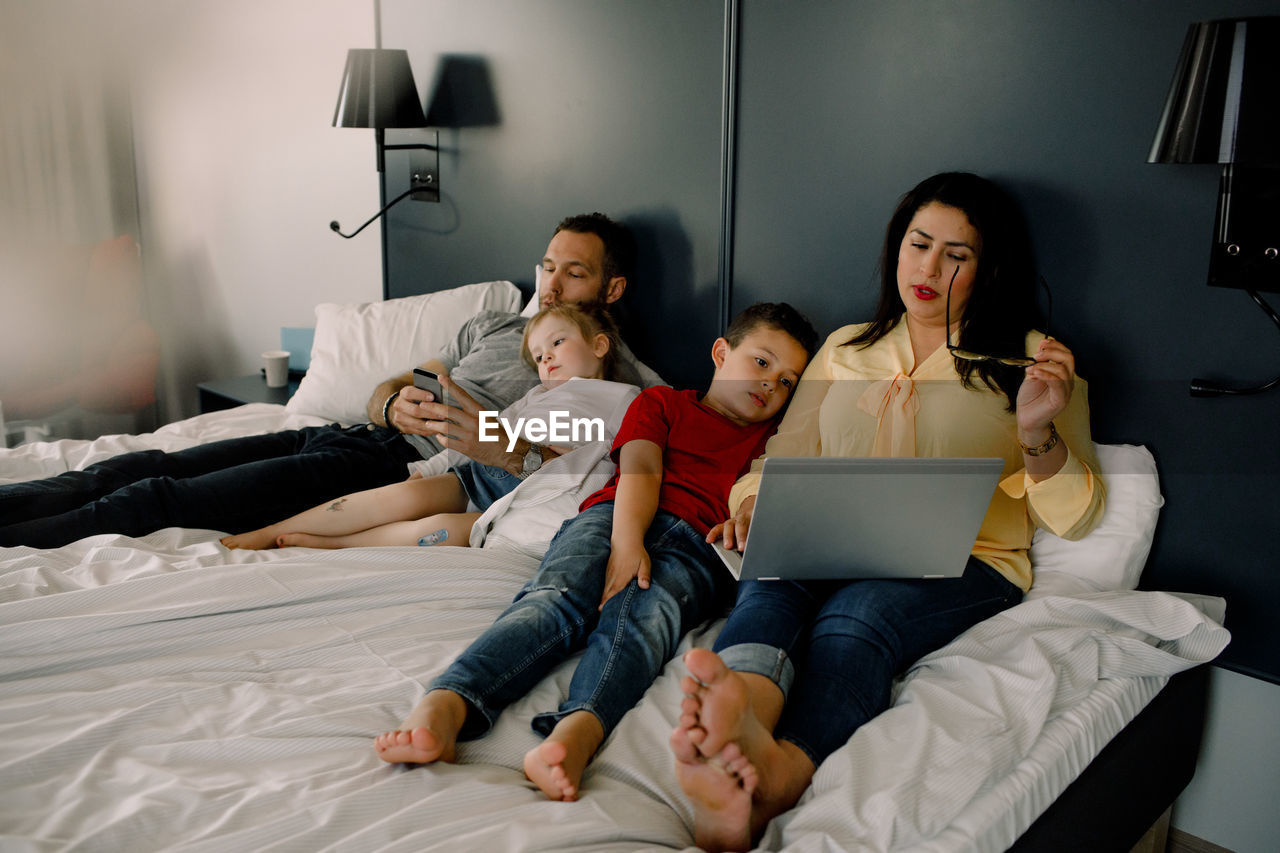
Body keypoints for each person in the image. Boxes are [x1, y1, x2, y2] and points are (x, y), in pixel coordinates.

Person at [668, 172, 1108, 852]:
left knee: (860, 613)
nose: (928, 268)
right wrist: (757, 507)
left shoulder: (1033, 360)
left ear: (987, 266)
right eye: (918, 244)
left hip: (968, 560)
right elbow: (782, 455)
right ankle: (741, 713)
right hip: (832, 533)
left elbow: (1075, 514)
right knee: (773, 577)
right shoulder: (846, 348)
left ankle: (781, 774)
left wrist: (1036, 432)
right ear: (895, 247)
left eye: (955, 255)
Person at [372, 303, 819, 804]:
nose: (770, 386)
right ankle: (449, 701)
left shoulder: (776, 440)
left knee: (642, 625)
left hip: (700, 546)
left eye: (787, 382)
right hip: (613, 515)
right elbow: (641, 465)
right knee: (551, 600)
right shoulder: (662, 403)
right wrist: (627, 544)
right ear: (721, 352)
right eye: (762, 363)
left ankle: (578, 730)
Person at [0, 213, 662, 548]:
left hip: (390, 472)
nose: (550, 284)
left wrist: (480, 437)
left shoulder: (621, 384)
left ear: (613, 288)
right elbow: (392, 384)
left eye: (573, 273)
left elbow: (608, 460)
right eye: (547, 266)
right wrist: (390, 403)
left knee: (160, 498)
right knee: (147, 459)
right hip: (348, 434)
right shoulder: (496, 323)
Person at [220, 303, 640, 550]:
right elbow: (481, 432)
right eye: (537, 354)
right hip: (477, 473)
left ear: (600, 345)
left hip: (523, 498)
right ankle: (271, 531)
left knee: (434, 532)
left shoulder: (627, 398)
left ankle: (331, 545)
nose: (545, 358)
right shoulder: (535, 398)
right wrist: (433, 466)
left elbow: (620, 462)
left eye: (557, 343)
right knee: (394, 499)